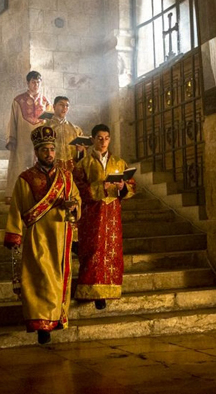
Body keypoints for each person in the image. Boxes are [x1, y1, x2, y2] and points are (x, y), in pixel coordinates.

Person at [3, 125, 81, 345]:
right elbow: (17, 208)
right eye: (44, 149)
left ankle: (56, 319)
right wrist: (14, 234)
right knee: (39, 280)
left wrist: (73, 206)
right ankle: (41, 326)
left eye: (51, 149)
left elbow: (76, 198)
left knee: (57, 280)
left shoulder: (66, 177)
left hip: (61, 234)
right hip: (38, 236)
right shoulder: (26, 178)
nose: (49, 153)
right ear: (36, 152)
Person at [73, 124, 136, 310]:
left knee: (111, 253)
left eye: (107, 138)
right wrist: (101, 187)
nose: (103, 141)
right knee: (93, 251)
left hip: (113, 213)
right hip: (92, 213)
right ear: (92, 139)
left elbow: (132, 186)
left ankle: (109, 291)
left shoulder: (119, 162)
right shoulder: (83, 164)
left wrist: (122, 187)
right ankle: (90, 290)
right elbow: (77, 188)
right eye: (99, 138)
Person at [5, 71, 51, 203]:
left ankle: (39, 194)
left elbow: (50, 124)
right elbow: (12, 120)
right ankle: (16, 194)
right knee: (20, 164)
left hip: (40, 141)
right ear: (28, 83)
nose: (36, 84)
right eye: (33, 82)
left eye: (38, 82)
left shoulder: (46, 102)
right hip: (22, 139)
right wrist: (11, 138)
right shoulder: (18, 100)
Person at [46, 96, 85, 170]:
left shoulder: (76, 130)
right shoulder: (46, 128)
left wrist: (80, 151)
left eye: (67, 105)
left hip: (70, 170)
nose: (64, 107)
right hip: (51, 169)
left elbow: (81, 157)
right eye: (61, 104)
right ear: (54, 106)